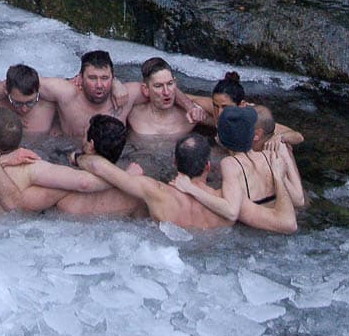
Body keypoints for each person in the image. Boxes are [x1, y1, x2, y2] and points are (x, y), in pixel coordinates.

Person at [77, 133, 238, 230]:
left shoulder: (156, 192)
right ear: (208, 166)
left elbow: (98, 166)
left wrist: (77, 157)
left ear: (175, 162)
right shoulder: (224, 201)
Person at [187, 104, 300, 233]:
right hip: (282, 226)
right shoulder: (270, 156)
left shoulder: (230, 164)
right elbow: (297, 200)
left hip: (259, 234)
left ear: (219, 138)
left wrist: (191, 188)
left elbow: (231, 211)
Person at [53, 115, 146, 219]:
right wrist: (126, 176)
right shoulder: (136, 197)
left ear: (91, 146)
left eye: (84, 135)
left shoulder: (65, 193)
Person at [38, 50, 133, 139]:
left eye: (105, 78)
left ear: (112, 77)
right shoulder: (66, 94)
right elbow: (29, 80)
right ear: (80, 78)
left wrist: (116, 82)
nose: (99, 85)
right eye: (92, 78)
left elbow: (147, 88)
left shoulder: (126, 95)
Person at [206, 70, 305, 147]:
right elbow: (193, 99)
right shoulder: (217, 108)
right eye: (215, 106)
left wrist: (279, 137)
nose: (219, 113)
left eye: (225, 107)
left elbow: (298, 137)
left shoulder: (253, 119)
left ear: (241, 105)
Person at [124, 58, 200, 138]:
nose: (166, 92)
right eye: (158, 86)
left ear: (175, 82)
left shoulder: (192, 116)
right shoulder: (132, 114)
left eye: (170, 84)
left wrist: (192, 108)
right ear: (146, 89)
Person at [1, 64, 58, 137]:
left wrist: (57, 125)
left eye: (30, 102)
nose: (24, 109)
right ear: (6, 91)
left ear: (39, 89)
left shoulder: (51, 104)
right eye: (17, 103)